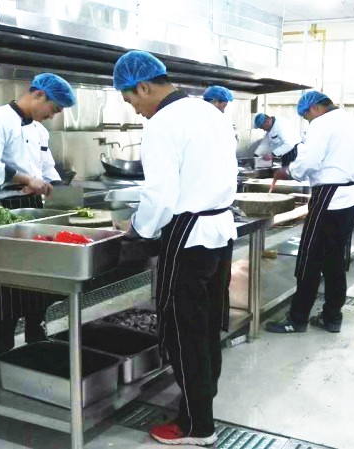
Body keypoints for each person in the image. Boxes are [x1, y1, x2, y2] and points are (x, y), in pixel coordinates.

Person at [113, 50, 237, 446]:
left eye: (131, 100)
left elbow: (161, 196)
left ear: (143, 87)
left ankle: (198, 427)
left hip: (188, 236)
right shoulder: (210, 113)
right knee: (207, 327)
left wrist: (136, 227)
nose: (135, 110)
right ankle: (198, 409)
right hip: (219, 231)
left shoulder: (162, 124)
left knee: (184, 333)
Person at [0, 73, 76, 358]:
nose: (53, 115)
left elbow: (47, 168)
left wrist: (61, 193)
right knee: (4, 283)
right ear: (39, 94)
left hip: (33, 208)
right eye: (53, 108)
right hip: (3, 210)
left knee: (38, 278)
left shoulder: (40, 130)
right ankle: (1, 352)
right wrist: (26, 179)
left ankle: (37, 340)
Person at [265, 91, 354, 334]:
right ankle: (332, 317)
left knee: (309, 259)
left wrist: (289, 171)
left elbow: (309, 161)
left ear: (314, 108)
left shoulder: (322, 123)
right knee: (335, 260)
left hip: (329, 199)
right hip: (352, 197)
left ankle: (297, 318)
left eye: (306, 116)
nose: (308, 121)